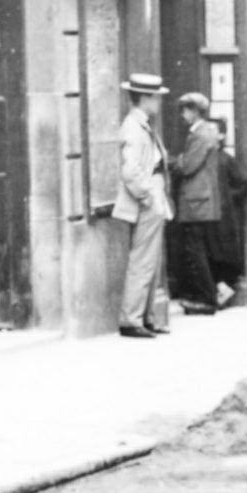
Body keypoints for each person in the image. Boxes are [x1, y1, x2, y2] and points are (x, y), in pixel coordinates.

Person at [108, 74, 171, 338]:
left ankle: (144, 317)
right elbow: (131, 171)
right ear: (145, 98)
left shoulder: (141, 124)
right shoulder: (134, 127)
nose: (158, 102)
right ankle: (132, 319)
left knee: (151, 260)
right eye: (156, 97)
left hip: (153, 193)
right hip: (147, 196)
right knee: (143, 260)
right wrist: (148, 197)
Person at [166, 91, 225, 315]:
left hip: (196, 201)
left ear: (195, 111)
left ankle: (207, 299)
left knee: (195, 250)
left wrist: (173, 160)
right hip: (200, 200)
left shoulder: (200, 134)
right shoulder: (205, 131)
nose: (182, 114)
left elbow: (188, 166)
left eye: (185, 110)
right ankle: (204, 296)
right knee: (197, 249)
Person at [206, 117, 247, 305]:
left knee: (219, 252)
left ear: (221, 136)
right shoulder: (205, 157)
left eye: (212, 131)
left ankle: (222, 289)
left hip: (223, 217)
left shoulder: (225, 160)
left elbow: (246, 183)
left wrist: (227, 197)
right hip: (209, 213)